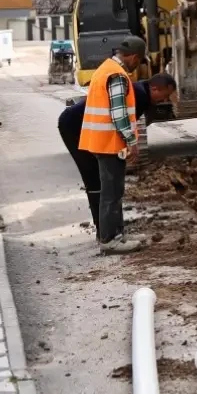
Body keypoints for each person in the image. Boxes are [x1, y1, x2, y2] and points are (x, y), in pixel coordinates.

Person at [58, 73, 177, 228]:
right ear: (155, 89)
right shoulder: (140, 95)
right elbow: (123, 124)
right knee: (93, 176)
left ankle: (105, 227)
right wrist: (129, 147)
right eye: (165, 95)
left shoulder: (141, 90)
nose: (165, 100)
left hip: (86, 127)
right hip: (73, 126)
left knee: (101, 178)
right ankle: (104, 230)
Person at [78, 36, 148, 255]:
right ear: (134, 57)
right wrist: (132, 142)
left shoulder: (106, 68)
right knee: (111, 193)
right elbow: (119, 115)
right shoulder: (116, 75)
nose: (138, 65)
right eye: (139, 61)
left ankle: (116, 235)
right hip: (109, 143)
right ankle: (109, 240)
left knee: (114, 191)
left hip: (103, 142)